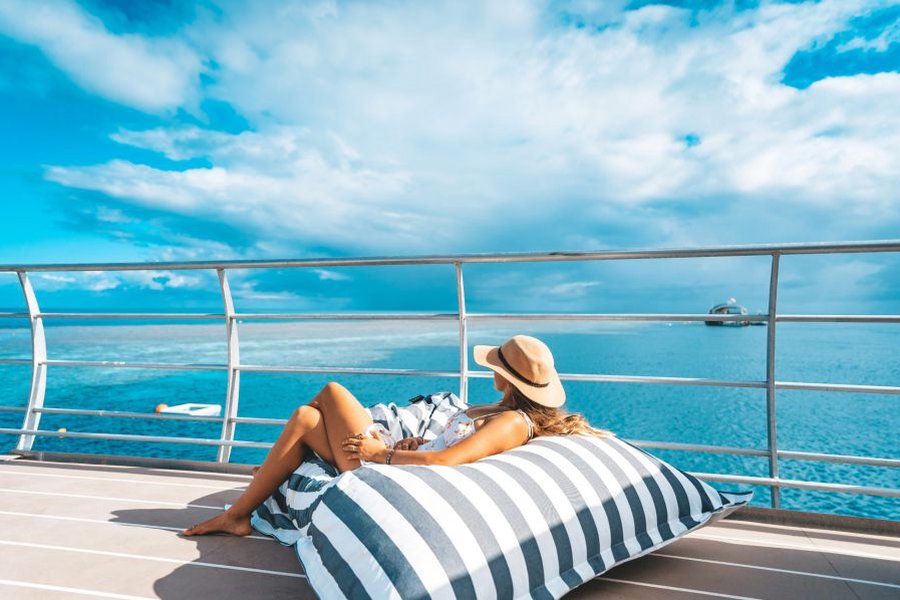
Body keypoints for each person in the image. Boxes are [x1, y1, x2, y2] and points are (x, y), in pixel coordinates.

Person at [182, 334, 607, 537]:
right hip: (401, 464)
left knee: (330, 393)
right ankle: (240, 513)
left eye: (496, 366)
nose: (491, 370)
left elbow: (445, 465)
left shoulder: (513, 422)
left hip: (388, 476)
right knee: (305, 419)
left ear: (506, 377)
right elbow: (446, 451)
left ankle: (259, 487)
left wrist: (381, 453)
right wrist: (416, 444)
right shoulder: (503, 413)